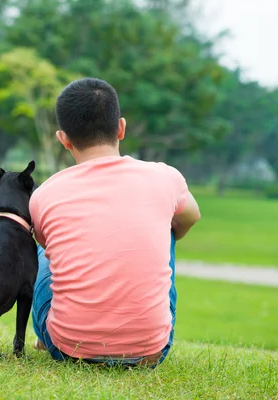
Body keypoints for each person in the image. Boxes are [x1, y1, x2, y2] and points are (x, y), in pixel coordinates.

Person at [29, 77, 201, 368]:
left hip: (69, 348)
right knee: (169, 224)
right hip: (151, 352)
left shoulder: (44, 194)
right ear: (121, 128)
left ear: (64, 139)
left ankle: (49, 333)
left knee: (41, 252)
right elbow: (191, 217)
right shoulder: (165, 177)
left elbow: (51, 249)